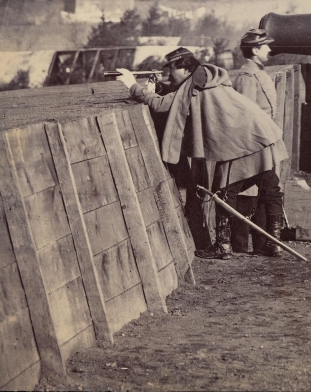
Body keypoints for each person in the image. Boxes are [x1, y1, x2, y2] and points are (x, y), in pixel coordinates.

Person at [116, 47, 287, 260]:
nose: (169, 74)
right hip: (260, 133)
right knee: (270, 188)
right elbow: (182, 95)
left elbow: (162, 105)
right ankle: (274, 244)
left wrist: (132, 85)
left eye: (170, 69)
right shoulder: (208, 76)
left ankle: (223, 246)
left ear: (184, 67)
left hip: (237, 143)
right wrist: (161, 86)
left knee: (224, 192)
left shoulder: (192, 85)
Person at [229, 28, 287, 257]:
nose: (270, 50)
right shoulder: (247, 77)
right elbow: (246, 116)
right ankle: (246, 245)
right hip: (253, 146)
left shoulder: (258, 73)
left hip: (264, 144)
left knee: (264, 192)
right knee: (256, 191)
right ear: (255, 50)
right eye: (265, 46)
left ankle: (263, 244)